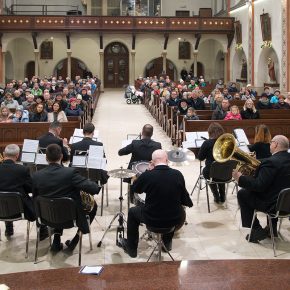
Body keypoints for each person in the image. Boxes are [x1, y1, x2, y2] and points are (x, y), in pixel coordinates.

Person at [119, 149, 193, 258]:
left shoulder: (147, 175)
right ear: (167, 160)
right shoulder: (177, 174)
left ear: (152, 162)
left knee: (132, 212)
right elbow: (185, 199)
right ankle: (167, 243)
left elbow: (136, 189)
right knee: (173, 209)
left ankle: (132, 248)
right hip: (174, 220)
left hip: (152, 219)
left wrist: (147, 172)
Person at [32, 144, 101, 251]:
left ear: (46, 158)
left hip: (46, 218)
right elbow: (94, 189)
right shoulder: (70, 173)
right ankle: (76, 239)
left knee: (54, 201)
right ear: (61, 156)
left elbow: (35, 197)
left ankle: (56, 238)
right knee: (93, 205)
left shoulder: (36, 176)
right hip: (70, 218)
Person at [233, 135, 290, 243]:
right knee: (275, 190)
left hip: (274, 205)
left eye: (271, 142)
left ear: (276, 144)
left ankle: (257, 230)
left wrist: (240, 179)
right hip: (286, 204)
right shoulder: (278, 160)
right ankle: (271, 229)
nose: (270, 144)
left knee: (243, 194)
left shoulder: (271, 162)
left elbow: (259, 186)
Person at [0, 144, 47, 239]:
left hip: (1, 209)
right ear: (17, 155)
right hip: (21, 209)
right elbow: (31, 188)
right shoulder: (22, 170)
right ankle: (43, 232)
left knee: (5, 197)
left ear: (4, 154)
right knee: (39, 201)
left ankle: (9, 228)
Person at [198, 123, 226, 203]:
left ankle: (216, 196)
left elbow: (200, 157)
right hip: (225, 173)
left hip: (211, 173)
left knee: (206, 171)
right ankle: (222, 196)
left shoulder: (207, 143)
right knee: (221, 169)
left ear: (210, 132)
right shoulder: (226, 142)